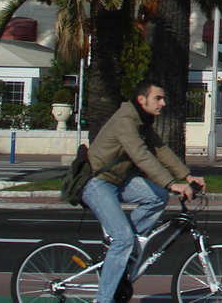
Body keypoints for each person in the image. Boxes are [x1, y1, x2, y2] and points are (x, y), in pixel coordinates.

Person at [82, 80, 200, 303]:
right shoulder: (125, 121)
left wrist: (186, 176)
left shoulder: (143, 121)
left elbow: (159, 150)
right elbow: (141, 155)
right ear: (141, 100)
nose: (163, 103)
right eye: (158, 98)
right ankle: (104, 299)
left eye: (163, 98)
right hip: (97, 182)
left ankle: (130, 245)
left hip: (118, 180)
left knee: (157, 196)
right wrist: (171, 183)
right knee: (122, 239)